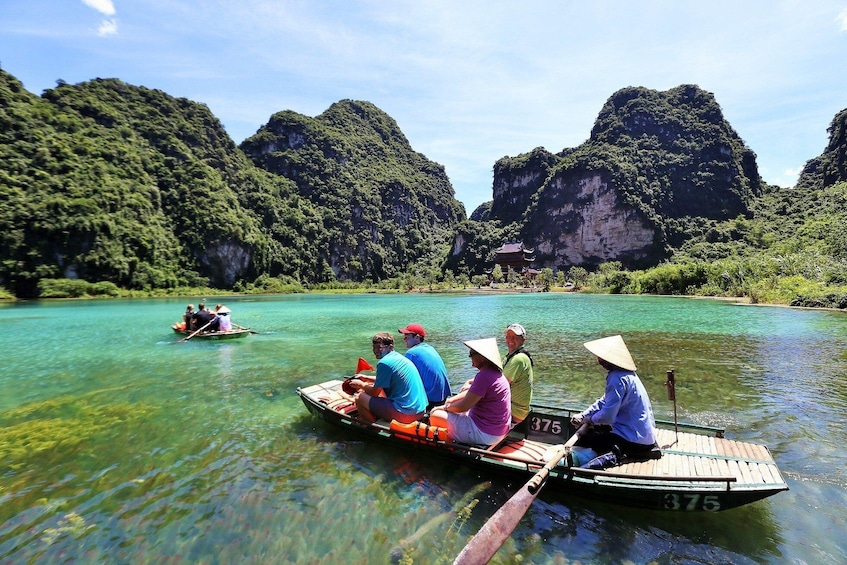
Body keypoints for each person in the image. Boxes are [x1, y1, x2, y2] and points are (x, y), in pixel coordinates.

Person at [570, 335, 658, 466]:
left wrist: (590, 420)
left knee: (584, 440)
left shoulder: (616, 378)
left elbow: (608, 416)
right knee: (594, 434)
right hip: (645, 435)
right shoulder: (628, 375)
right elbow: (604, 401)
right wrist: (584, 415)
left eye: (601, 357)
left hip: (632, 438)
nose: (599, 360)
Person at [429, 338, 511, 446]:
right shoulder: (495, 374)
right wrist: (451, 401)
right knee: (451, 410)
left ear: (482, 357)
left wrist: (445, 407)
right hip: (498, 430)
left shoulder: (484, 376)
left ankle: (445, 445)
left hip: (485, 434)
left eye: (471, 354)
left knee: (435, 415)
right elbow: (471, 395)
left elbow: (463, 407)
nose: (469, 357)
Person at [346, 332, 427, 424]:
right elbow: (390, 379)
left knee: (359, 397)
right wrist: (367, 378)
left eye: (379, 348)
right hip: (420, 411)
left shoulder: (384, 363)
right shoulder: (399, 358)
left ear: (390, 347)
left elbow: (374, 393)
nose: (375, 350)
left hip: (407, 414)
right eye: (374, 347)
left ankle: (371, 426)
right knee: (381, 390)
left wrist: (361, 385)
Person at [398, 323, 452, 410]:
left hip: (430, 401)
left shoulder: (411, 353)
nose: (404, 339)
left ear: (417, 337)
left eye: (407, 336)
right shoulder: (430, 348)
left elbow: (403, 380)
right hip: (443, 397)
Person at [502, 323, 534, 425]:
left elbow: (499, 385)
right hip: (518, 410)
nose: (511, 340)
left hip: (515, 412)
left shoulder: (518, 359)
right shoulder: (510, 356)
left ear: (523, 340)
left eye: (515, 337)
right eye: (509, 336)